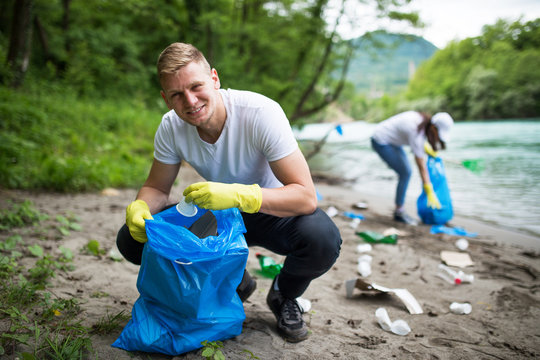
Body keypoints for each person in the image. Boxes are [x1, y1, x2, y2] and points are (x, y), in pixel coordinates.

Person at [116, 42, 342, 343]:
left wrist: (240, 195)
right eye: (177, 95)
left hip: (271, 211)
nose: (190, 100)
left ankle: (283, 295)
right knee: (132, 240)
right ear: (166, 99)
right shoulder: (171, 126)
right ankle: (233, 280)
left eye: (196, 86)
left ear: (214, 78)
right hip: (216, 217)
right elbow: (157, 188)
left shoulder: (261, 113)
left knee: (322, 238)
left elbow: (305, 196)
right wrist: (140, 207)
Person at [370, 110, 454, 225]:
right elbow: (421, 166)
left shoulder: (422, 123)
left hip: (393, 141)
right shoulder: (415, 130)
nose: (438, 139)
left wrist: (426, 149)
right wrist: (429, 189)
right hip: (381, 140)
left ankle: (399, 210)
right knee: (405, 173)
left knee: (406, 171)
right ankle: (399, 212)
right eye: (439, 135)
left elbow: (416, 142)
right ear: (433, 128)